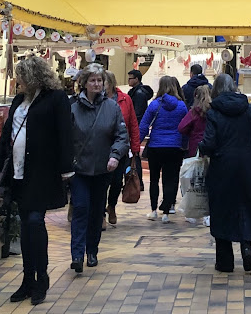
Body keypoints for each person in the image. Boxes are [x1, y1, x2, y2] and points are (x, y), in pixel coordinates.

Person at [0, 56, 72, 305]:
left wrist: (67, 169)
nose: (18, 81)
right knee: (25, 224)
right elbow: (7, 135)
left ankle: (41, 277)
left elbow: (65, 133)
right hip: (18, 172)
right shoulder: (18, 101)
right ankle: (27, 279)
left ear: (34, 77)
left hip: (42, 171)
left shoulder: (56, 99)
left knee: (35, 220)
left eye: (22, 77)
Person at [199, 74, 251, 272]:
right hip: (246, 166)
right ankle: (246, 246)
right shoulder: (247, 108)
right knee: (245, 206)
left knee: (222, 209)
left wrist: (202, 150)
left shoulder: (214, 111)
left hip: (221, 166)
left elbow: (209, 142)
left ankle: (225, 262)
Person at [70, 65, 129, 273]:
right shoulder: (72, 107)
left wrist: (115, 156)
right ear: (84, 83)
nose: (97, 84)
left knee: (96, 211)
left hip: (103, 169)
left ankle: (92, 250)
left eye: (100, 81)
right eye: (92, 80)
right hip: (79, 169)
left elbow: (122, 136)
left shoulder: (111, 108)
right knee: (80, 208)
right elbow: (65, 137)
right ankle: (77, 254)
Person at [139, 76, 188, 222]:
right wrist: (184, 144)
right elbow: (185, 128)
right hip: (175, 147)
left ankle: (153, 210)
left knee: (154, 179)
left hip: (156, 146)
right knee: (171, 179)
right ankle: (166, 211)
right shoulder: (181, 106)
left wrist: (136, 143)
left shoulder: (154, 105)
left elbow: (144, 125)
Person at [103, 71, 140, 228]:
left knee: (117, 182)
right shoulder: (98, 100)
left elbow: (132, 123)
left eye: (102, 81)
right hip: (102, 148)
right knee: (102, 182)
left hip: (121, 147)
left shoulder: (125, 99)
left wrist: (135, 146)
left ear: (111, 83)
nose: (99, 85)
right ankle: (100, 214)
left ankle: (111, 206)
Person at [178, 85, 212, 157]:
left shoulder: (194, 112)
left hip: (196, 145)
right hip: (211, 144)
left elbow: (181, 127)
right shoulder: (214, 111)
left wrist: (190, 132)